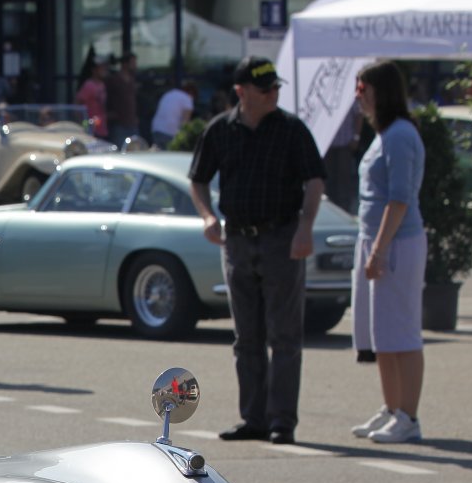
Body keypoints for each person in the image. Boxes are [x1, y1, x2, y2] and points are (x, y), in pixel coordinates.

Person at [188, 56, 325, 445]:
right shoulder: (220, 130)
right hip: (237, 240)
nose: (273, 94)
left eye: (276, 88)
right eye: (265, 89)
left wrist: (305, 227)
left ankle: (282, 421)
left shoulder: (291, 129)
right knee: (246, 337)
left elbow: (315, 180)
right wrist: (207, 217)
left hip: (281, 237)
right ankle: (253, 418)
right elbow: (198, 179)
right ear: (241, 91)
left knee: (284, 336)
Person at [347, 61, 427, 445]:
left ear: (382, 91)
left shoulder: (400, 135)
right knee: (380, 333)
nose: (358, 97)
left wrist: (379, 250)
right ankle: (393, 408)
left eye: (363, 89)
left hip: (396, 243)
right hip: (376, 240)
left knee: (402, 333)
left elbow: (399, 199)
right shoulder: (384, 134)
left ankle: (408, 416)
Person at [150, 80, 197, 150]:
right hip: (170, 132)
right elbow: (185, 123)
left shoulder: (169, 94)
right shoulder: (187, 99)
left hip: (156, 129)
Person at [105, 53, 140, 144]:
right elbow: (105, 98)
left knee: (135, 148)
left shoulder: (132, 80)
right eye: (132, 63)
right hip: (118, 124)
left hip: (132, 123)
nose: (135, 66)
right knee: (119, 148)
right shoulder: (114, 80)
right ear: (125, 64)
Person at [75, 58, 109, 139]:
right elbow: (77, 104)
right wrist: (84, 124)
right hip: (91, 129)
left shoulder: (102, 85)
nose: (104, 70)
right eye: (101, 68)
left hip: (102, 128)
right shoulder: (89, 85)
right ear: (94, 70)